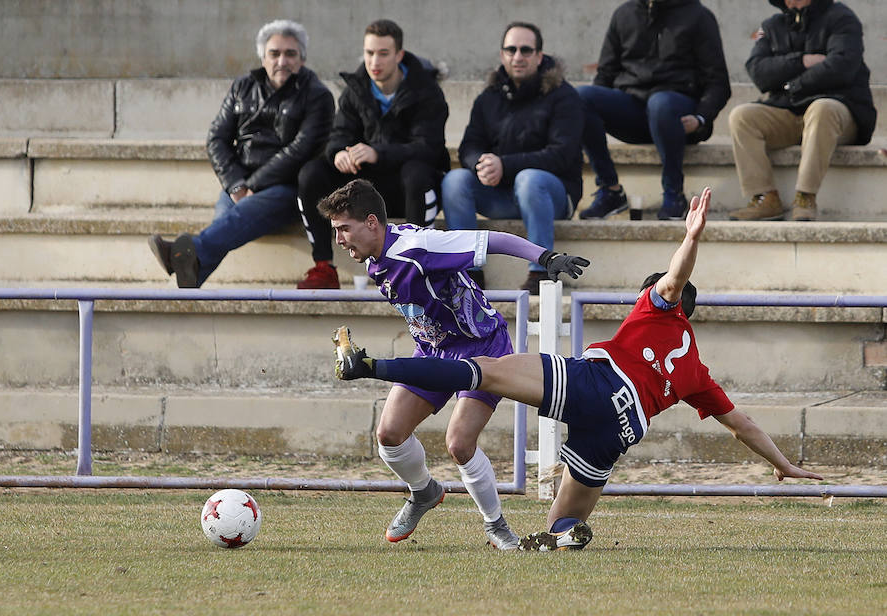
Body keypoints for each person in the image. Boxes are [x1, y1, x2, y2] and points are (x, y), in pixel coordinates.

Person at [333, 186, 824, 550]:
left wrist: (691, 236)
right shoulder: (697, 370)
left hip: (595, 383)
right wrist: (782, 465)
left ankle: (375, 366)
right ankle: (559, 534)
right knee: (557, 525)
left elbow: (674, 277)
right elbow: (741, 423)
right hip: (622, 427)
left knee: (481, 371)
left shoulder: (657, 304)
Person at [318, 179, 589, 550]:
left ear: (371, 222)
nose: (339, 240)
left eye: (343, 229)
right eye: (335, 231)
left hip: (482, 346)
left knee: (459, 444)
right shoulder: (374, 262)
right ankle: (424, 492)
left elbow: (490, 240)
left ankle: (496, 527)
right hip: (433, 349)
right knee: (389, 435)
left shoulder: (419, 246)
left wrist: (544, 257)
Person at [148, 20, 334, 288]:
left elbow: (301, 150)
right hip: (238, 182)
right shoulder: (242, 86)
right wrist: (236, 184)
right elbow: (217, 138)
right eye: (275, 53)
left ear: (302, 59)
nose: (282, 60)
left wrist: (252, 185)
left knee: (232, 218)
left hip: (287, 188)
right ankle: (193, 271)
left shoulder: (318, 96)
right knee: (227, 220)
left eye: (290, 54)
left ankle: (183, 254)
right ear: (263, 57)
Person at [294, 19, 450, 289]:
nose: (374, 61)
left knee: (417, 173)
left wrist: (378, 153)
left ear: (399, 55)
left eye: (383, 53)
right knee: (312, 173)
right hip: (364, 191)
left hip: (406, 190)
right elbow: (339, 134)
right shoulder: (356, 89)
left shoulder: (427, 91)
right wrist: (338, 154)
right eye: (369, 53)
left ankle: (412, 266)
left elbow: (429, 147)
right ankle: (323, 267)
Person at [441, 22, 584, 294]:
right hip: (501, 195)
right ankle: (468, 272)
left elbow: (561, 155)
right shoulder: (489, 97)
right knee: (455, 180)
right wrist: (481, 163)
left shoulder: (564, 96)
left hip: (552, 196)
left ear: (539, 56)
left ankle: (541, 271)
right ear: (502, 55)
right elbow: (469, 145)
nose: (518, 56)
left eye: (526, 50)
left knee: (529, 179)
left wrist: (505, 165)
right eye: (511, 49)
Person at [578, 0, 730, 221]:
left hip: (677, 114)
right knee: (582, 97)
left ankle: (674, 193)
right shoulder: (624, 14)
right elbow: (605, 74)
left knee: (661, 104)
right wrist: (588, 121)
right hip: (633, 111)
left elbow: (718, 82)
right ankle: (610, 191)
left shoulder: (698, 16)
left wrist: (701, 117)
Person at [728, 0, 877, 222]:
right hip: (790, 110)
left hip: (839, 112)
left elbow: (841, 68)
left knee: (822, 108)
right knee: (742, 116)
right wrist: (802, 61)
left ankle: (805, 197)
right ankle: (764, 197)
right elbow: (758, 72)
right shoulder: (771, 26)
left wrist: (791, 85)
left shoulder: (841, 18)